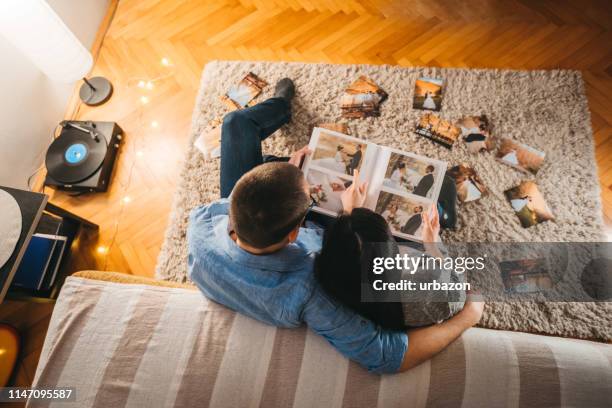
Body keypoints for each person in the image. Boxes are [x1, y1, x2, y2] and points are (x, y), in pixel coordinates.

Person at [188, 78, 484, 374]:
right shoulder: (310, 288)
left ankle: (280, 108)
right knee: (430, 205)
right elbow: (386, 356)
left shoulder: (201, 224)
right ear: (296, 232)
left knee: (236, 122)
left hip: (254, 226)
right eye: (308, 195)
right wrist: (468, 315)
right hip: (320, 242)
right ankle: (441, 212)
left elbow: (243, 205)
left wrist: (286, 176)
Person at [316, 201, 471, 330]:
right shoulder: (429, 287)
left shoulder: (331, 275)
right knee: (442, 203)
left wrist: (353, 216)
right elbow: (458, 288)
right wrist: (433, 245)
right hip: (437, 275)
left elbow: (352, 251)